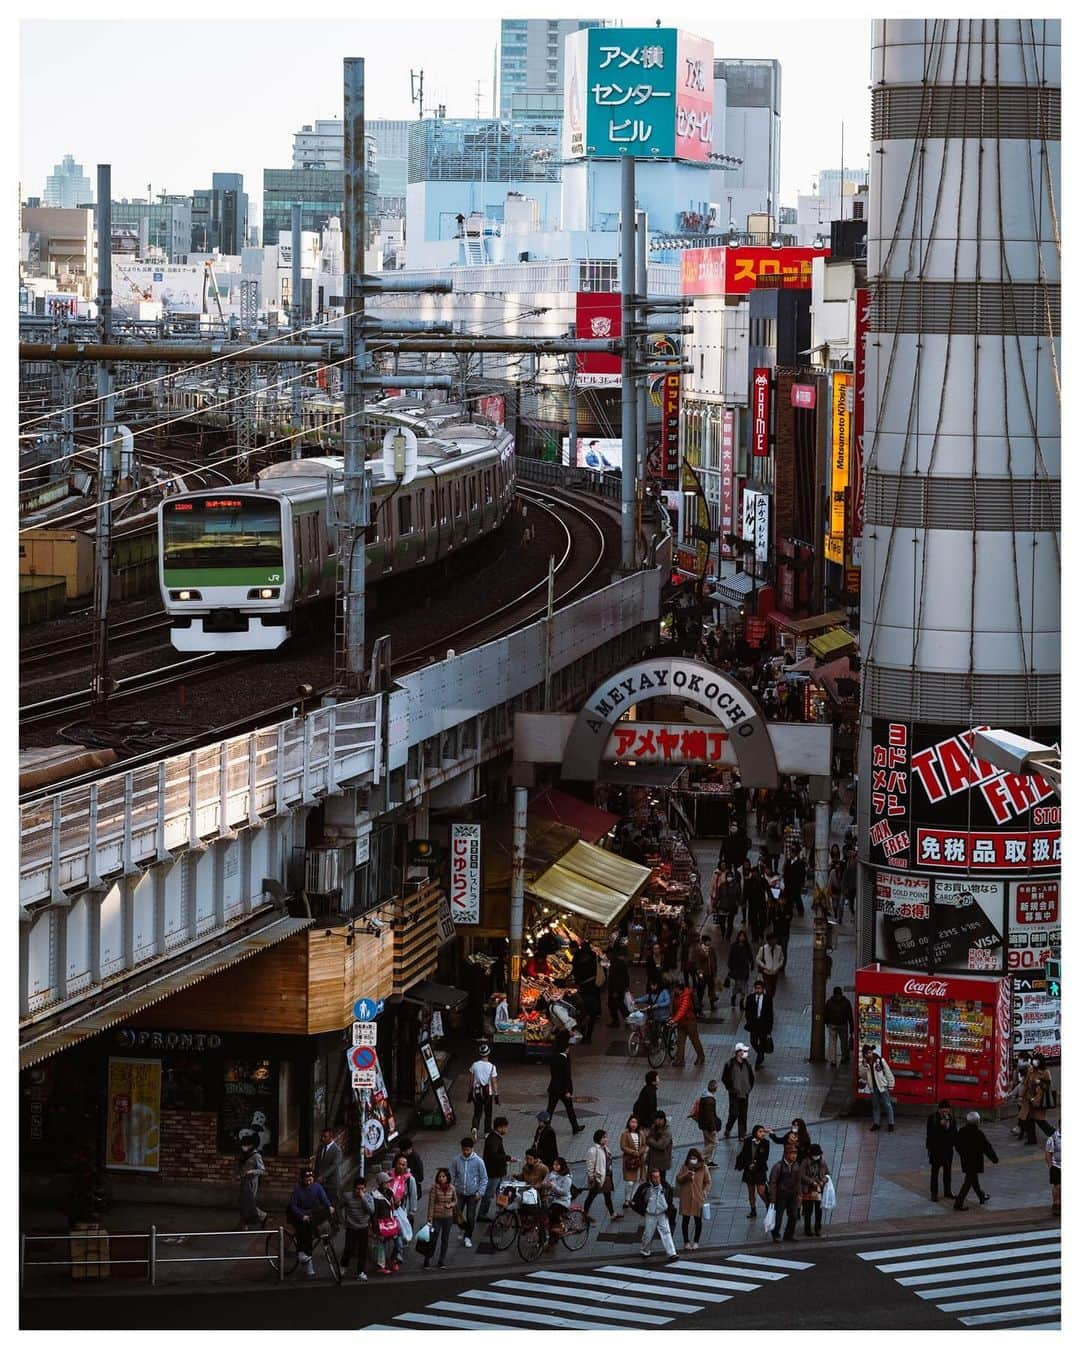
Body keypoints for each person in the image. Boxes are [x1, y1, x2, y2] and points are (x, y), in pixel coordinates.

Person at [287, 1167, 335, 1278]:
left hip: (311, 1213)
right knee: (305, 1230)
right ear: (302, 1179)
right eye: (307, 1179)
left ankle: (314, 1249)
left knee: (322, 1223)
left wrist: (329, 1206)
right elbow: (293, 1206)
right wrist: (301, 1215)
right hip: (299, 1213)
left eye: (311, 1179)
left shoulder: (317, 1187)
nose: (309, 1181)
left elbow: (324, 1199)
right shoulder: (297, 1190)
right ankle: (303, 1255)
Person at [953, 1111, 997, 1211]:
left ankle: (981, 1196)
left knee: (973, 1179)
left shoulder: (962, 1131)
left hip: (965, 1160)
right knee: (968, 1182)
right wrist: (994, 1159)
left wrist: (962, 1153)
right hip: (975, 1161)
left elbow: (957, 1145)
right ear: (977, 1121)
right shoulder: (979, 1134)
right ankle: (958, 1204)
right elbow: (987, 1148)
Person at [449, 1135, 488, 1249]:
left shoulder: (478, 1162)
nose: (466, 1152)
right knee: (457, 1214)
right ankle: (463, 1228)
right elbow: (452, 1174)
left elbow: (484, 1178)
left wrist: (480, 1192)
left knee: (471, 1216)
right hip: (459, 1193)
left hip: (473, 1195)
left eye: (468, 1150)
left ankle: (468, 1237)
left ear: (472, 1149)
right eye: (464, 1149)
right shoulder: (456, 1160)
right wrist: (451, 1188)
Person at [635, 1168, 677, 1259]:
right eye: (654, 1177)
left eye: (658, 1177)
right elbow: (636, 1200)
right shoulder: (645, 1188)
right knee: (648, 1234)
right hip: (650, 1214)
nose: (656, 1179)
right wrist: (644, 1210)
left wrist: (668, 1209)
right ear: (650, 1178)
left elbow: (669, 1199)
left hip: (662, 1213)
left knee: (666, 1232)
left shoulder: (665, 1186)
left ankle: (672, 1253)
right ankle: (645, 1250)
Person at [546, 1034, 585, 1136]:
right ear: (565, 1049)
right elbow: (566, 1076)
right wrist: (568, 1090)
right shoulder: (565, 1060)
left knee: (550, 1109)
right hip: (563, 1090)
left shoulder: (554, 1057)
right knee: (570, 1109)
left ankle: (546, 1126)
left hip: (553, 1088)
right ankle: (575, 1127)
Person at [675, 1148, 711, 1250]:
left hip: (698, 1198)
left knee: (698, 1220)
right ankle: (686, 1242)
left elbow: (708, 1181)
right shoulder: (684, 1167)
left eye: (695, 1158)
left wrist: (705, 1191)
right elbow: (679, 1179)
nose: (693, 1160)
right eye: (691, 1158)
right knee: (685, 1220)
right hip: (686, 1197)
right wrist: (687, 1175)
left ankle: (696, 1241)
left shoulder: (703, 1167)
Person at [339, 1176, 373, 1281]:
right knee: (348, 1248)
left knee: (363, 1251)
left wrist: (363, 1199)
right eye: (358, 1189)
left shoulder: (368, 1197)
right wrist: (342, 1220)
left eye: (362, 1189)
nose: (360, 1191)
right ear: (354, 1188)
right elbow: (339, 1207)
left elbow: (371, 1211)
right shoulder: (347, 1196)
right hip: (351, 1227)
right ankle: (343, 1267)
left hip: (363, 1227)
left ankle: (360, 1272)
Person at [478, 1116, 512, 1222]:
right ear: (500, 1127)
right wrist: (507, 1158)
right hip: (493, 1173)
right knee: (489, 1194)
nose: (507, 1130)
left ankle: (500, 1211)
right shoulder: (493, 1139)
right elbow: (494, 1156)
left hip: (497, 1172)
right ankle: (482, 1214)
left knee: (500, 1193)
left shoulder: (494, 1138)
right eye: (506, 1127)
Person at [583, 1129, 621, 1222]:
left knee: (607, 1196)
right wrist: (592, 1177)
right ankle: (584, 1213)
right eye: (604, 1137)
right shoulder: (593, 1150)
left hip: (606, 1177)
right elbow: (590, 1165)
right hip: (598, 1178)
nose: (606, 1139)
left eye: (606, 1137)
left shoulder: (606, 1148)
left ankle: (612, 1213)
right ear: (598, 1138)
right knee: (591, 1196)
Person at [719, 1043, 755, 1140]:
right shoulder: (730, 1064)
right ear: (738, 1052)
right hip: (734, 1093)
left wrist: (749, 1088)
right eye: (743, 1051)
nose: (744, 1053)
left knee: (743, 1114)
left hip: (745, 1093)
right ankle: (728, 1128)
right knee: (734, 1113)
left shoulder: (747, 1064)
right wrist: (730, 1087)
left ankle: (742, 1134)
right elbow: (724, 1078)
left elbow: (751, 1077)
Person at [422, 1168, 456, 1269]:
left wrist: (451, 1204)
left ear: (447, 1177)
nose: (441, 1178)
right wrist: (429, 1219)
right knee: (433, 1239)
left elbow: (455, 1200)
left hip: (448, 1217)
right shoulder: (434, 1188)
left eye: (443, 1176)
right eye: (440, 1176)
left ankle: (442, 1260)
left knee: (445, 1240)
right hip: (437, 1217)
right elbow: (431, 1204)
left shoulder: (452, 1188)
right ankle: (427, 1259)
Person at [767, 1144, 802, 1243]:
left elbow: (798, 1180)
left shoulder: (796, 1165)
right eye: (792, 1153)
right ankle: (776, 1234)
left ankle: (789, 1234)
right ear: (786, 1154)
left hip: (793, 1195)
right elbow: (772, 1182)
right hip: (781, 1196)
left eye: (795, 1153)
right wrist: (772, 1197)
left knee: (793, 1216)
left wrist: (799, 1193)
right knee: (779, 1216)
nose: (794, 1156)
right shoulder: (778, 1166)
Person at [670, 976, 706, 1067]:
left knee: (694, 1040)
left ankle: (701, 1057)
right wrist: (673, 1018)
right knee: (680, 1041)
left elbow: (682, 1009)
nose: (673, 990)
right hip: (681, 1022)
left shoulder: (686, 996)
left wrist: (674, 1019)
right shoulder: (677, 995)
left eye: (675, 988)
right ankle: (680, 1060)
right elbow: (675, 1008)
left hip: (689, 1021)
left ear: (678, 988)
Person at [926, 1099, 958, 1202]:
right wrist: (940, 1125)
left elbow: (954, 1132)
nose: (945, 1113)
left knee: (947, 1172)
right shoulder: (933, 1118)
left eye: (946, 1111)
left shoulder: (952, 1118)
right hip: (936, 1150)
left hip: (948, 1150)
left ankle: (947, 1191)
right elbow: (930, 1134)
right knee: (935, 1172)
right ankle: (934, 1193)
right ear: (939, 1110)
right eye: (943, 1111)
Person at [736, 1125, 771, 1218]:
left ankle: (768, 1205)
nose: (762, 1133)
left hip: (760, 1170)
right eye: (760, 1131)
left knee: (761, 1191)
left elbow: (765, 1158)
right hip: (749, 1170)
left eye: (763, 1131)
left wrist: (755, 1165)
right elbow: (744, 1154)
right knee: (751, 1191)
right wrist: (748, 1164)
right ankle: (753, 1210)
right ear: (755, 1132)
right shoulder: (748, 1141)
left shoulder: (766, 1143)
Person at [860, 1044, 896, 1131]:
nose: (870, 1054)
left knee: (887, 1104)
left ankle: (891, 1123)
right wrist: (864, 1066)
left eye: (871, 1052)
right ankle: (876, 1123)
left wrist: (891, 1084)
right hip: (873, 1088)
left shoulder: (880, 1060)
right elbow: (863, 1076)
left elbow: (888, 1072)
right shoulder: (865, 1064)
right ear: (864, 1055)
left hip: (882, 1086)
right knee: (875, 1106)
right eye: (868, 1053)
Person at [571, 941, 601, 1044]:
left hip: (582, 990)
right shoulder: (593, 955)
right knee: (592, 1015)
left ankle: (583, 1035)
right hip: (593, 988)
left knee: (582, 1014)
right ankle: (588, 1036)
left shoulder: (577, 956)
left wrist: (577, 983)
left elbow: (575, 971)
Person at [1021, 1056, 1055, 1145]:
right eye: (1034, 1060)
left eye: (1037, 1060)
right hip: (1029, 1098)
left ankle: (1055, 1135)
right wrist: (1021, 1095)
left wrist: (1039, 1082)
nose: (1034, 1062)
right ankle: (1031, 1140)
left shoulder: (1046, 1072)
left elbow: (1048, 1087)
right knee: (1028, 1119)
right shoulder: (1030, 1070)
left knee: (1040, 1120)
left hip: (1039, 1099)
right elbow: (1025, 1084)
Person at [468, 1042, 499, 1138]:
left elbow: (471, 1080)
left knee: (477, 1112)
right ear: (488, 1053)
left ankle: (474, 1128)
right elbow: (494, 1082)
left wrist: (470, 1093)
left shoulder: (474, 1065)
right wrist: (496, 1094)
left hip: (477, 1093)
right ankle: (487, 1132)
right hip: (487, 1093)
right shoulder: (492, 1066)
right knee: (488, 1113)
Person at [370, 1173, 399, 1275]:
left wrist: (397, 1203)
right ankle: (381, 1265)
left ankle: (392, 1260)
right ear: (381, 1183)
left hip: (390, 1221)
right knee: (381, 1244)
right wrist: (376, 1228)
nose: (389, 1183)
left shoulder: (390, 1192)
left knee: (398, 1242)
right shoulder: (375, 1196)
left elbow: (394, 1207)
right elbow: (374, 1214)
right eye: (387, 1182)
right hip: (382, 1223)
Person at [799, 1144, 830, 1237]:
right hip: (808, 1189)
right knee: (808, 1210)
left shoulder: (822, 1162)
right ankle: (807, 1229)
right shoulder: (805, 1162)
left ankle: (818, 1228)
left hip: (819, 1189)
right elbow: (802, 1175)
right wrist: (812, 1181)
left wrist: (823, 1180)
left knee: (818, 1210)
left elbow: (827, 1174)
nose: (817, 1156)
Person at [744, 979, 774, 1070]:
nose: (758, 990)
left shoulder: (767, 999)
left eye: (759, 988)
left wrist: (769, 1029)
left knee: (762, 1043)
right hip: (753, 1025)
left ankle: (758, 1062)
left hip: (763, 1025)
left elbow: (770, 1014)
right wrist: (749, 1020)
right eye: (756, 988)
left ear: (763, 989)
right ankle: (761, 1053)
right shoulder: (750, 998)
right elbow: (747, 1011)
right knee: (753, 1041)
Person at [237, 1139, 266, 1230]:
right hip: (244, 1180)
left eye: (246, 1145)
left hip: (252, 1181)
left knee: (248, 1202)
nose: (244, 1147)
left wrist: (252, 1171)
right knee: (243, 1202)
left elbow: (262, 1170)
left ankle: (246, 1223)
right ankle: (245, 1222)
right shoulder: (243, 1155)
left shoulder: (256, 1156)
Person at [545, 1156, 574, 1248]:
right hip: (553, 1200)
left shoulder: (567, 1177)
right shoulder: (553, 1174)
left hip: (563, 1201)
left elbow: (564, 1192)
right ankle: (553, 1239)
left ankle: (561, 1228)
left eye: (557, 1165)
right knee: (550, 1220)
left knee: (552, 1213)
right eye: (554, 1164)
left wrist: (553, 1186)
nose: (555, 1166)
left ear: (562, 1166)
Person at [619, 1115, 646, 1208]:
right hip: (629, 1161)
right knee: (629, 1182)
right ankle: (627, 1199)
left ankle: (632, 1198)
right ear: (629, 1123)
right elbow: (623, 1146)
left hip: (639, 1161)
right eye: (632, 1122)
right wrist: (634, 1152)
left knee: (637, 1181)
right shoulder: (625, 1134)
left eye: (635, 1122)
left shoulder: (641, 1133)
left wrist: (640, 1152)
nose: (634, 1124)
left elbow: (644, 1145)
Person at [314, 1127, 343, 1213]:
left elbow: (334, 1166)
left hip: (332, 1183)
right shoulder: (320, 1148)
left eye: (325, 1137)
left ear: (331, 1137)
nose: (322, 1139)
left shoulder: (337, 1150)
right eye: (322, 1136)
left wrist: (323, 1176)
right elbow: (317, 1164)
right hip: (321, 1183)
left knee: (333, 1205)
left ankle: (336, 1223)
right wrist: (316, 1176)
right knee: (322, 1205)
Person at [824, 987, 855, 1068]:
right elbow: (850, 1016)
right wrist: (852, 1028)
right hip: (843, 1025)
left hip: (832, 1024)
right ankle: (844, 1058)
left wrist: (826, 1022)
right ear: (841, 993)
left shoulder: (829, 1002)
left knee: (832, 1042)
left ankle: (833, 1060)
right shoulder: (846, 1002)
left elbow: (826, 1013)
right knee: (844, 1042)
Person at [694, 1081, 720, 1165]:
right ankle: (701, 1157)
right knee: (714, 1142)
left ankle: (707, 1161)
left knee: (707, 1143)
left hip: (703, 1124)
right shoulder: (709, 1100)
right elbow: (710, 1116)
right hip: (708, 1126)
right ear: (715, 1088)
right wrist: (713, 1128)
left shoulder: (705, 1096)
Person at [727, 931, 754, 1011]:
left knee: (744, 986)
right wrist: (730, 967)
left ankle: (742, 1002)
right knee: (737, 985)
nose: (742, 937)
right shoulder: (734, 946)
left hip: (744, 969)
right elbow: (730, 957)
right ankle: (733, 997)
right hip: (736, 969)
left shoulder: (747, 946)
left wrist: (752, 963)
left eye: (743, 936)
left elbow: (750, 956)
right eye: (740, 936)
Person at [606, 945, 631, 1027]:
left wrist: (615, 991)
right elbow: (626, 976)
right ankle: (621, 1021)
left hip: (616, 990)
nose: (607, 956)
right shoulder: (618, 962)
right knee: (617, 1005)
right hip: (617, 989)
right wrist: (626, 986)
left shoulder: (616, 964)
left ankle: (624, 1020)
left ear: (611, 954)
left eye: (607, 954)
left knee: (618, 1005)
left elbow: (617, 979)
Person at [713, 867, 741, 941]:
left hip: (732, 907)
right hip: (723, 907)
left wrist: (739, 902)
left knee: (730, 923)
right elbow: (718, 896)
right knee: (722, 922)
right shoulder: (722, 885)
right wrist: (715, 904)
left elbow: (739, 895)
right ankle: (723, 933)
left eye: (730, 876)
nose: (729, 878)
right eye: (728, 876)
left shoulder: (736, 886)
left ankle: (728, 936)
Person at [755, 932, 785, 1000]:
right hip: (766, 973)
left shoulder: (779, 948)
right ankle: (767, 1001)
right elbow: (758, 958)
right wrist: (764, 966)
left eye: (775, 939)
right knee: (768, 989)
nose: (774, 941)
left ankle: (769, 1000)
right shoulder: (763, 949)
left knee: (773, 990)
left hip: (775, 973)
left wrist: (779, 965)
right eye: (772, 940)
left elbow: (782, 958)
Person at [744, 863, 769, 943]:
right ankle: (755, 936)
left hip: (762, 903)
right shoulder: (749, 881)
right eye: (753, 873)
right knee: (753, 921)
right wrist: (744, 901)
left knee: (762, 921)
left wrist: (771, 899)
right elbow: (746, 892)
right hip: (752, 904)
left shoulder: (762, 881)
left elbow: (768, 890)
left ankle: (760, 933)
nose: (754, 874)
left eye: (755, 872)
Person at [645, 1112, 673, 1182]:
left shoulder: (667, 1131)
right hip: (652, 1160)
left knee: (661, 1181)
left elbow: (661, 1145)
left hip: (662, 1162)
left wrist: (651, 1140)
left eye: (656, 1120)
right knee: (649, 1180)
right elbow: (647, 1139)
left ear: (662, 1120)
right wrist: (651, 1141)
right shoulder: (654, 1127)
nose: (655, 1121)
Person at [695, 934, 719, 1013]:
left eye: (709, 941)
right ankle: (699, 1004)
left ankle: (712, 1004)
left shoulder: (712, 949)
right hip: (703, 974)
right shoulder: (699, 950)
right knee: (701, 990)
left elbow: (714, 960)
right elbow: (698, 962)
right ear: (704, 941)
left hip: (710, 973)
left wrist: (715, 971)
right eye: (708, 941)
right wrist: (699, 973)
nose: (709, 942)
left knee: (711, 989)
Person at [782, 846, 806, 918]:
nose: (791, 853)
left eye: (793, 851)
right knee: (788, 898)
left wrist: (801, 884)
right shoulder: (788, 861)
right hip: (788, 883)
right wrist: (784, 880)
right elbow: (785, 872)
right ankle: (788, 911)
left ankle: (800, 911)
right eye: (791, 851)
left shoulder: (800, 863)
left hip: (796, 884)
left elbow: (802, 874)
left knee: (797, 897)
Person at [1046, 1126, 1061, 1215]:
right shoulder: (1052, 1139)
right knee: (1057, 1186)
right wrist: (1050, 1165)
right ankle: (1056, 1203)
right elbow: (1048, 1152)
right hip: (1056, 1166)